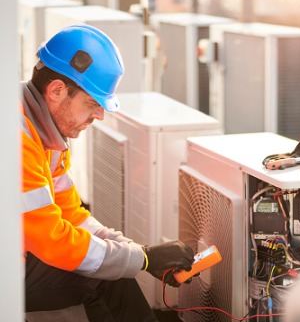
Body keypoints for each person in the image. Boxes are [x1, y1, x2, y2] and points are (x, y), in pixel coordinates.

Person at [21, 24, 195, 321]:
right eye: (91, 103)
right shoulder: (17, 139)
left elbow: (72, 215)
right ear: (56, 91)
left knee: (110, 272)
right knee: (100, 277)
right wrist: (142, 260)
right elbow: (54, 241)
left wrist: (140, 252)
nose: (99, 115)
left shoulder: (45, 136)